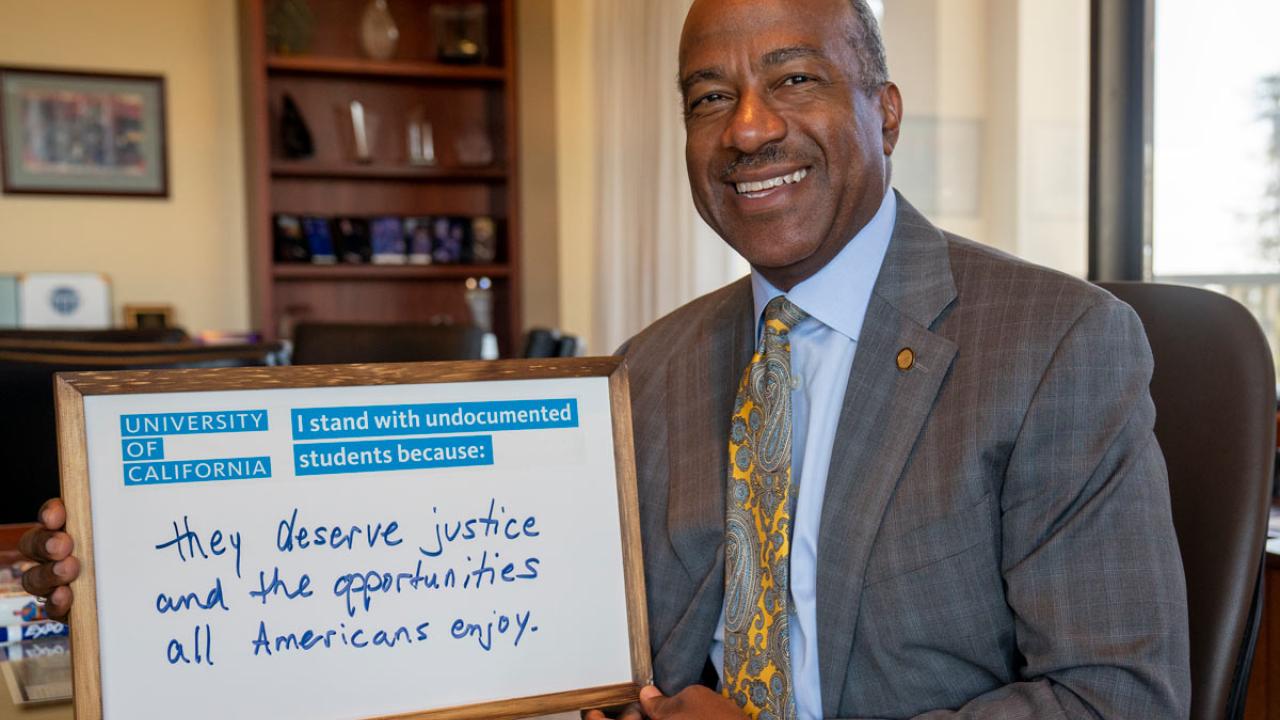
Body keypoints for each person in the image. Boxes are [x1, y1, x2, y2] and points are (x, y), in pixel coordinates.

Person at [23, 0, 1190, 718]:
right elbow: (453, 592)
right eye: (707, 97)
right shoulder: (643, 370)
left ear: (882, 111)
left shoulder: (1055, 346)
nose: (746, 128)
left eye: (792, 79)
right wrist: (149, 578)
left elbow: (1118, 699)